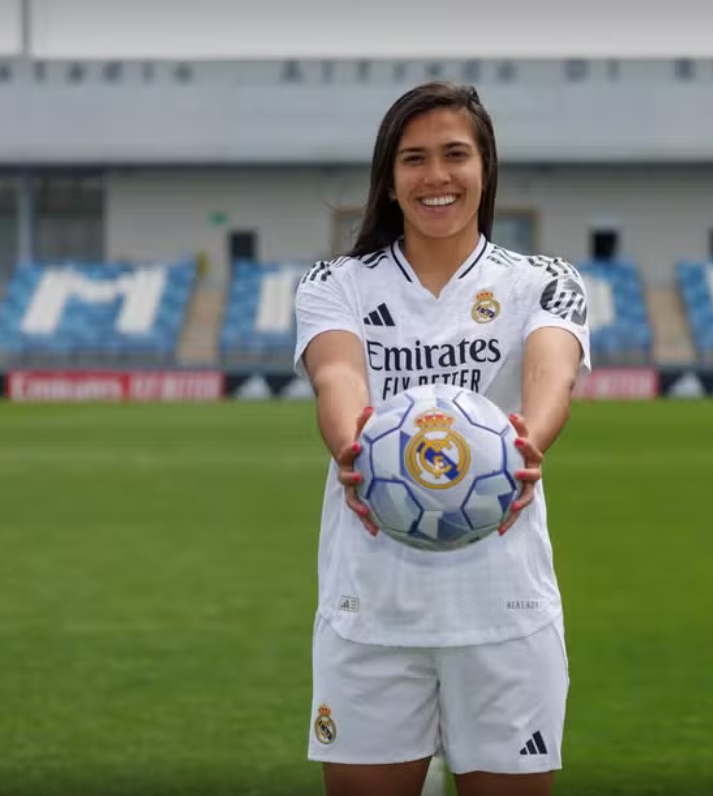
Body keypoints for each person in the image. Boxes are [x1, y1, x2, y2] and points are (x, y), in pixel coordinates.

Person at [293, 80, 590, 796]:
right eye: (414, 158)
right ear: (389, 178)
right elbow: (338, 374)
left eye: (455, 154)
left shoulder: (543, 280)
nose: (436, 176)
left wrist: (529, 440)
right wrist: (353, 448)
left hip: (506, 612)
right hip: (371, 612)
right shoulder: (337, 282)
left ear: (485, 168)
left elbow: (553, 373)